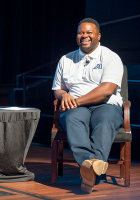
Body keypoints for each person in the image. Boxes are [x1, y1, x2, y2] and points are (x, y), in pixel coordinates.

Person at [52, 18, 124, 193]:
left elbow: (106, 90)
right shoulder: (66, 59)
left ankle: (89, 173)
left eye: (89, 32)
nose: (84, 36)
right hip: (76, 107)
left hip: (106, 105)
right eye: (81, 32)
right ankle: (93, 170)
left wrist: (75, 100)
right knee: (72, 118)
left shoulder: (111, 57)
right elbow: (57, 89)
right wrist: (65, 95)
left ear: (98, 36)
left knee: (104, 122)